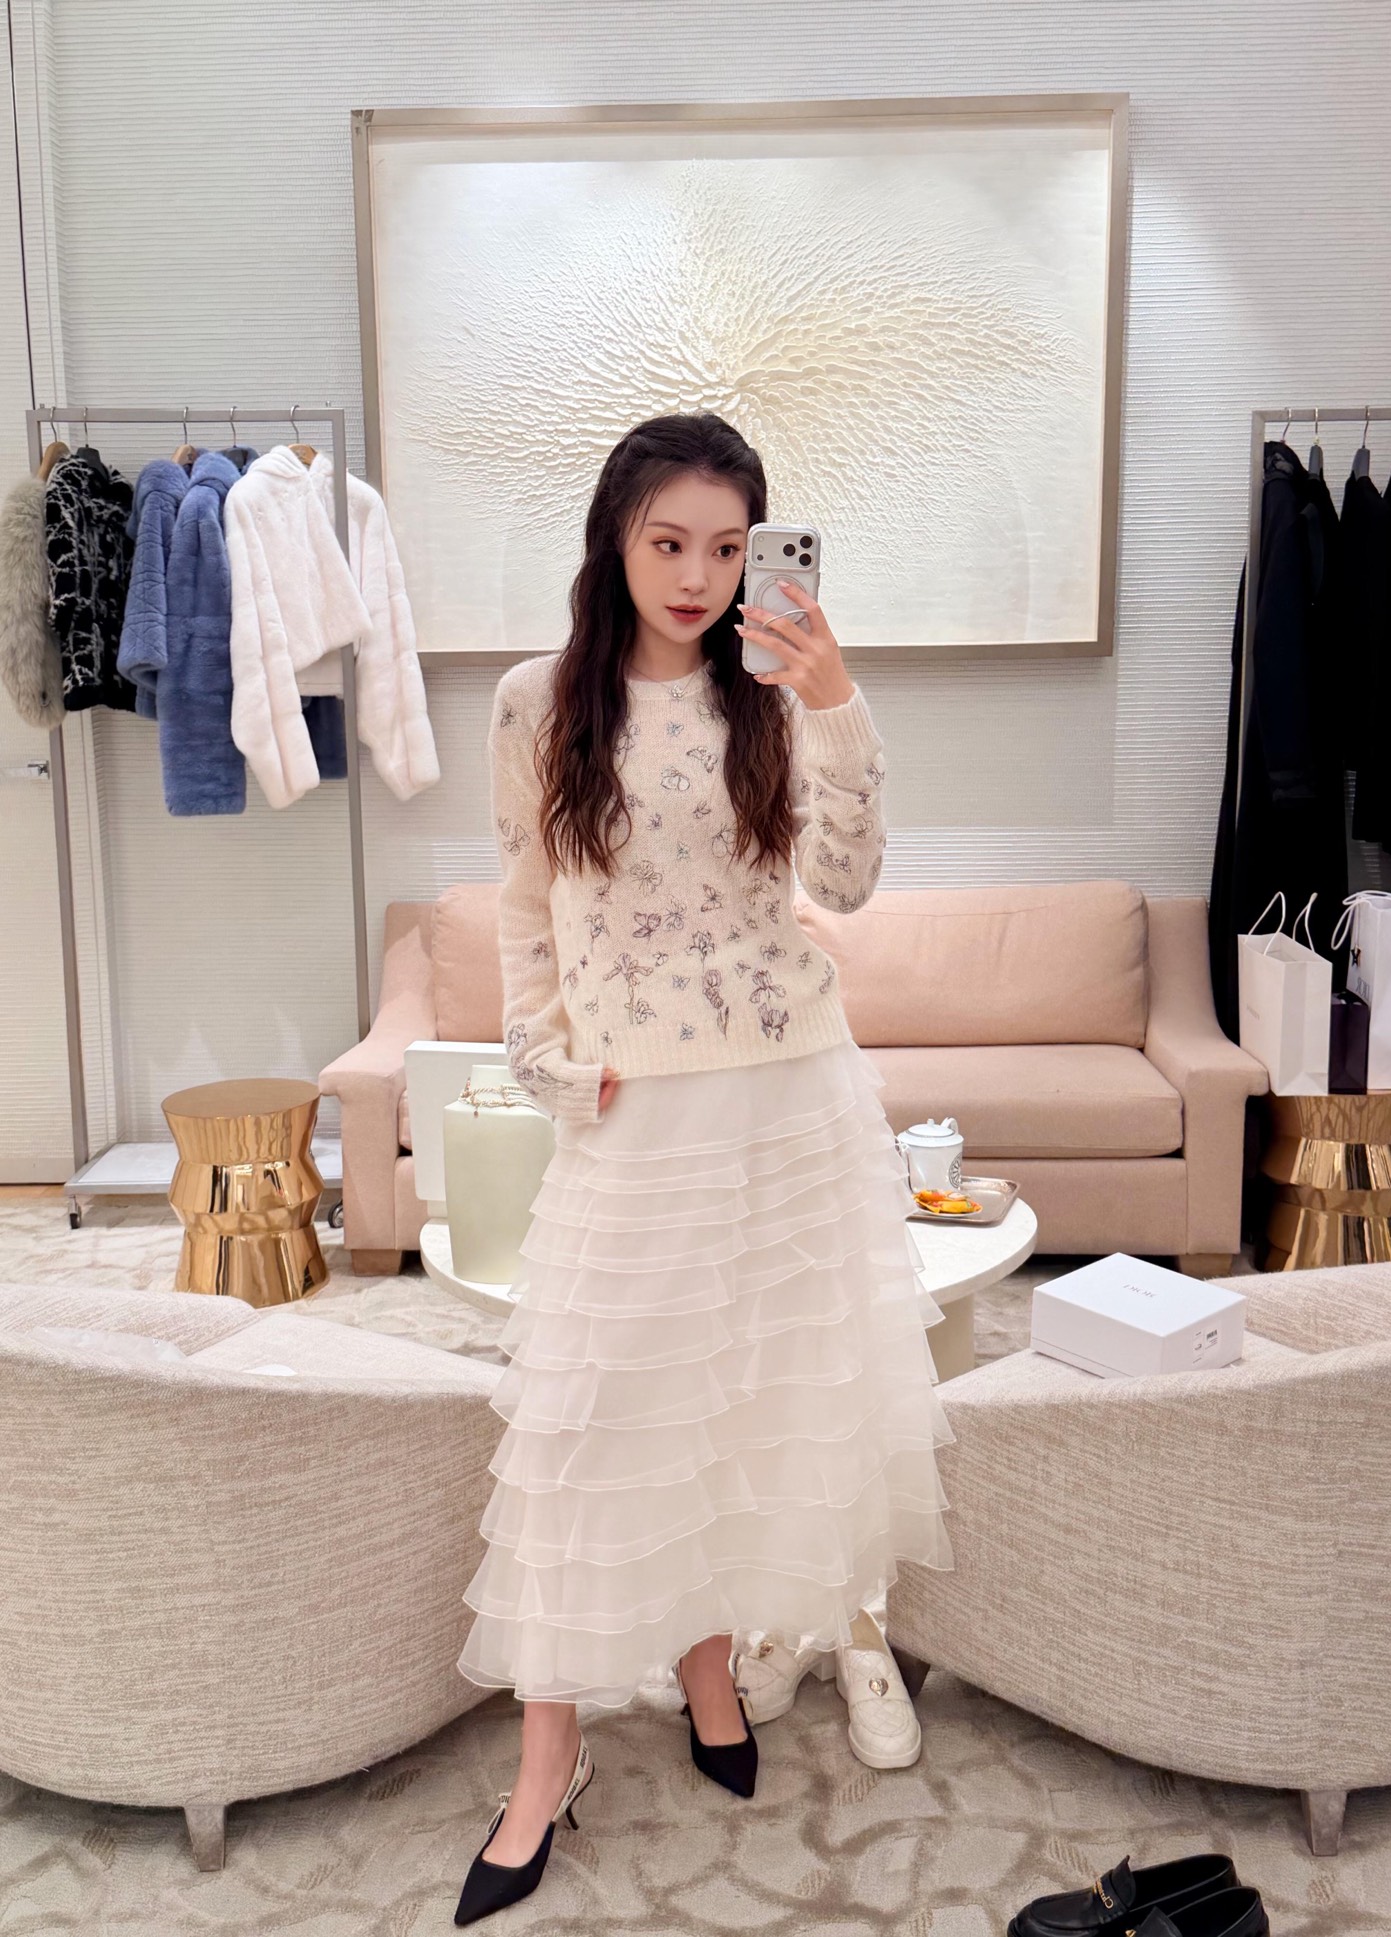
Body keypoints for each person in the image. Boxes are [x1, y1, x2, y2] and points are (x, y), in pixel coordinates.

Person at [453, 412, 955, 1924]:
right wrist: (543, 1057)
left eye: (727, 548)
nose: (697, 574)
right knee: (587, 1419)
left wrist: (837, 699)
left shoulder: (775, 699)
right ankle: (547, 1761)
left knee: (742, 1402)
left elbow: (846, 885)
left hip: (790, 1093)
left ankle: (709, 1668)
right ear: (615, 539)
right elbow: (526, 908)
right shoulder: (540, 702)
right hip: (635, 1109)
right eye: (668, 541)